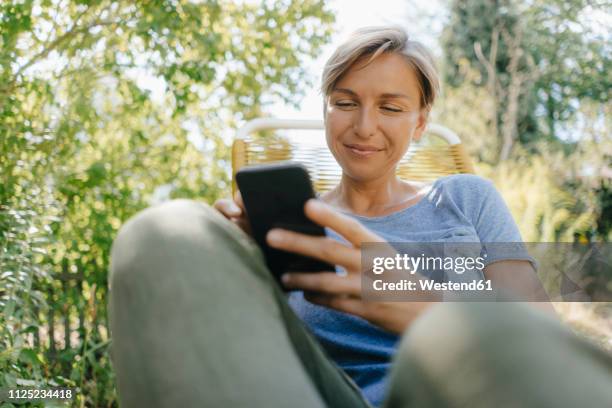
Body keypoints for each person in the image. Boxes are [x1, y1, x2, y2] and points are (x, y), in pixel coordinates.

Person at [108, 26, 612, 407]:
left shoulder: (466, 199)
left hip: (457, 392)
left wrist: (419, 305)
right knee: (162, 232)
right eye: (345, 102)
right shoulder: (293, 224)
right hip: (322, 395)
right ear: (327, 111)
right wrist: (232, 259)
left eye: (391, 108)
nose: (364, 127)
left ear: (420, 122)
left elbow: (541, 336)